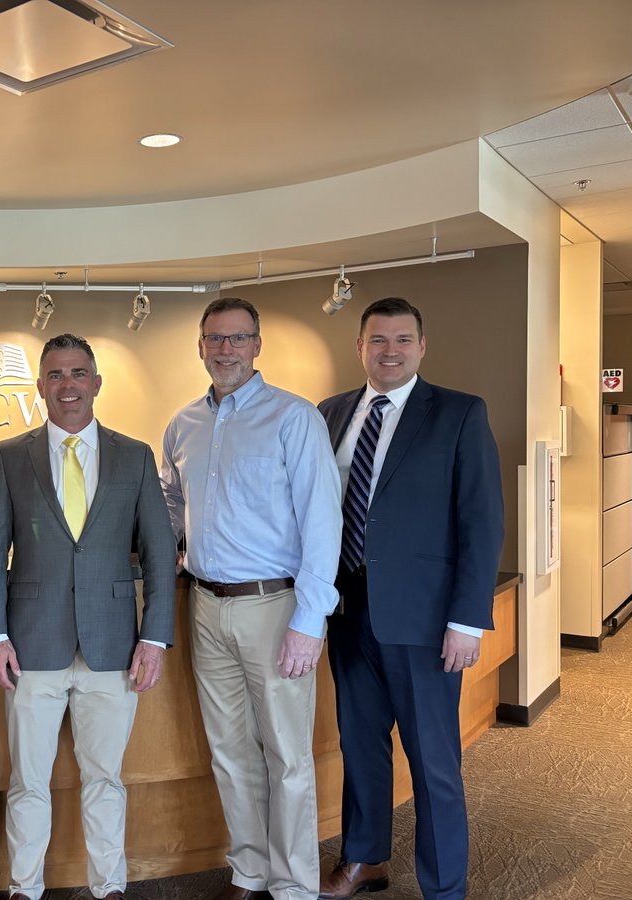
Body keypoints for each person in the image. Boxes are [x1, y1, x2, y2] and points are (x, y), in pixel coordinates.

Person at [0, 333, 177, 900]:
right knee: (27, 782)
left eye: (78, 373)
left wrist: (155, 637)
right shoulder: (11, 457)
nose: (68, 385)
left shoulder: (134, 455)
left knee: (105, 779)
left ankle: (109, 886)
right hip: (31, 645)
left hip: (114, 644)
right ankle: (24, 887)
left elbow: (159, 552)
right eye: (56, 375)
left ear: (96, 382)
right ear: (40, 386)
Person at [316, 297, 504, 900]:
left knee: (433, 761)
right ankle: (365, 858)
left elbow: (482, 522)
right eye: (377, 340)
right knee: (360, 747)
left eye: (401, 339)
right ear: (360, 347)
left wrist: (467, 620)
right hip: (348, 613)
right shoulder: (332, 413)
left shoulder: (458, 413)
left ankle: (444, 887)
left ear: (422, 346)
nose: (389, 350)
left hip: (424, 621)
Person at [161, 297, 342, 900]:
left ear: (258, 345)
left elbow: (323, 522)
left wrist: (309, 621)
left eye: (238, 339)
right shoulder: (183, 423)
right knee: (230, 751)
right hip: (206, 608)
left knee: (287, 756)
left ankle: (293, 885)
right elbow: (169, 505)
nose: (225, 350)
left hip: (276, 608)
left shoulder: (293, 418)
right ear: (201, 346)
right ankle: (250, 869)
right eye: (215, 339)